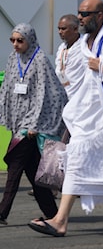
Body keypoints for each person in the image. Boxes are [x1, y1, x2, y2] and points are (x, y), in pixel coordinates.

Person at [28, 0, 103, 238]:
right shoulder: (85, 41)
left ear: (99, 15)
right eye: (79, 13)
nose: (80, 17)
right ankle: (61, 220)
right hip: (86, 112)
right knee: (81, 159)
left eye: (85, 14)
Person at [0, 24, 68, 226]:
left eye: (20, 40)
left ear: (30, 39)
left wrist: (35, 123)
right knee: (32, 171)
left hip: (30, 125)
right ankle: (51, 213)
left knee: (14, 166)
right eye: (12, 40)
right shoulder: (14, 59)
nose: (15, 44)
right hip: (18, 122)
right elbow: (8, 88)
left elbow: (48, 94)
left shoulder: (40, 61)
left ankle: (2, 212)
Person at [55, 14, 86, 100]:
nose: (60, 32)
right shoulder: (61, 47)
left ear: (75, 29)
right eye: (59, 29)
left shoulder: (85, 46)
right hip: (62, 95)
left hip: (79, 97)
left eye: (63, 29)